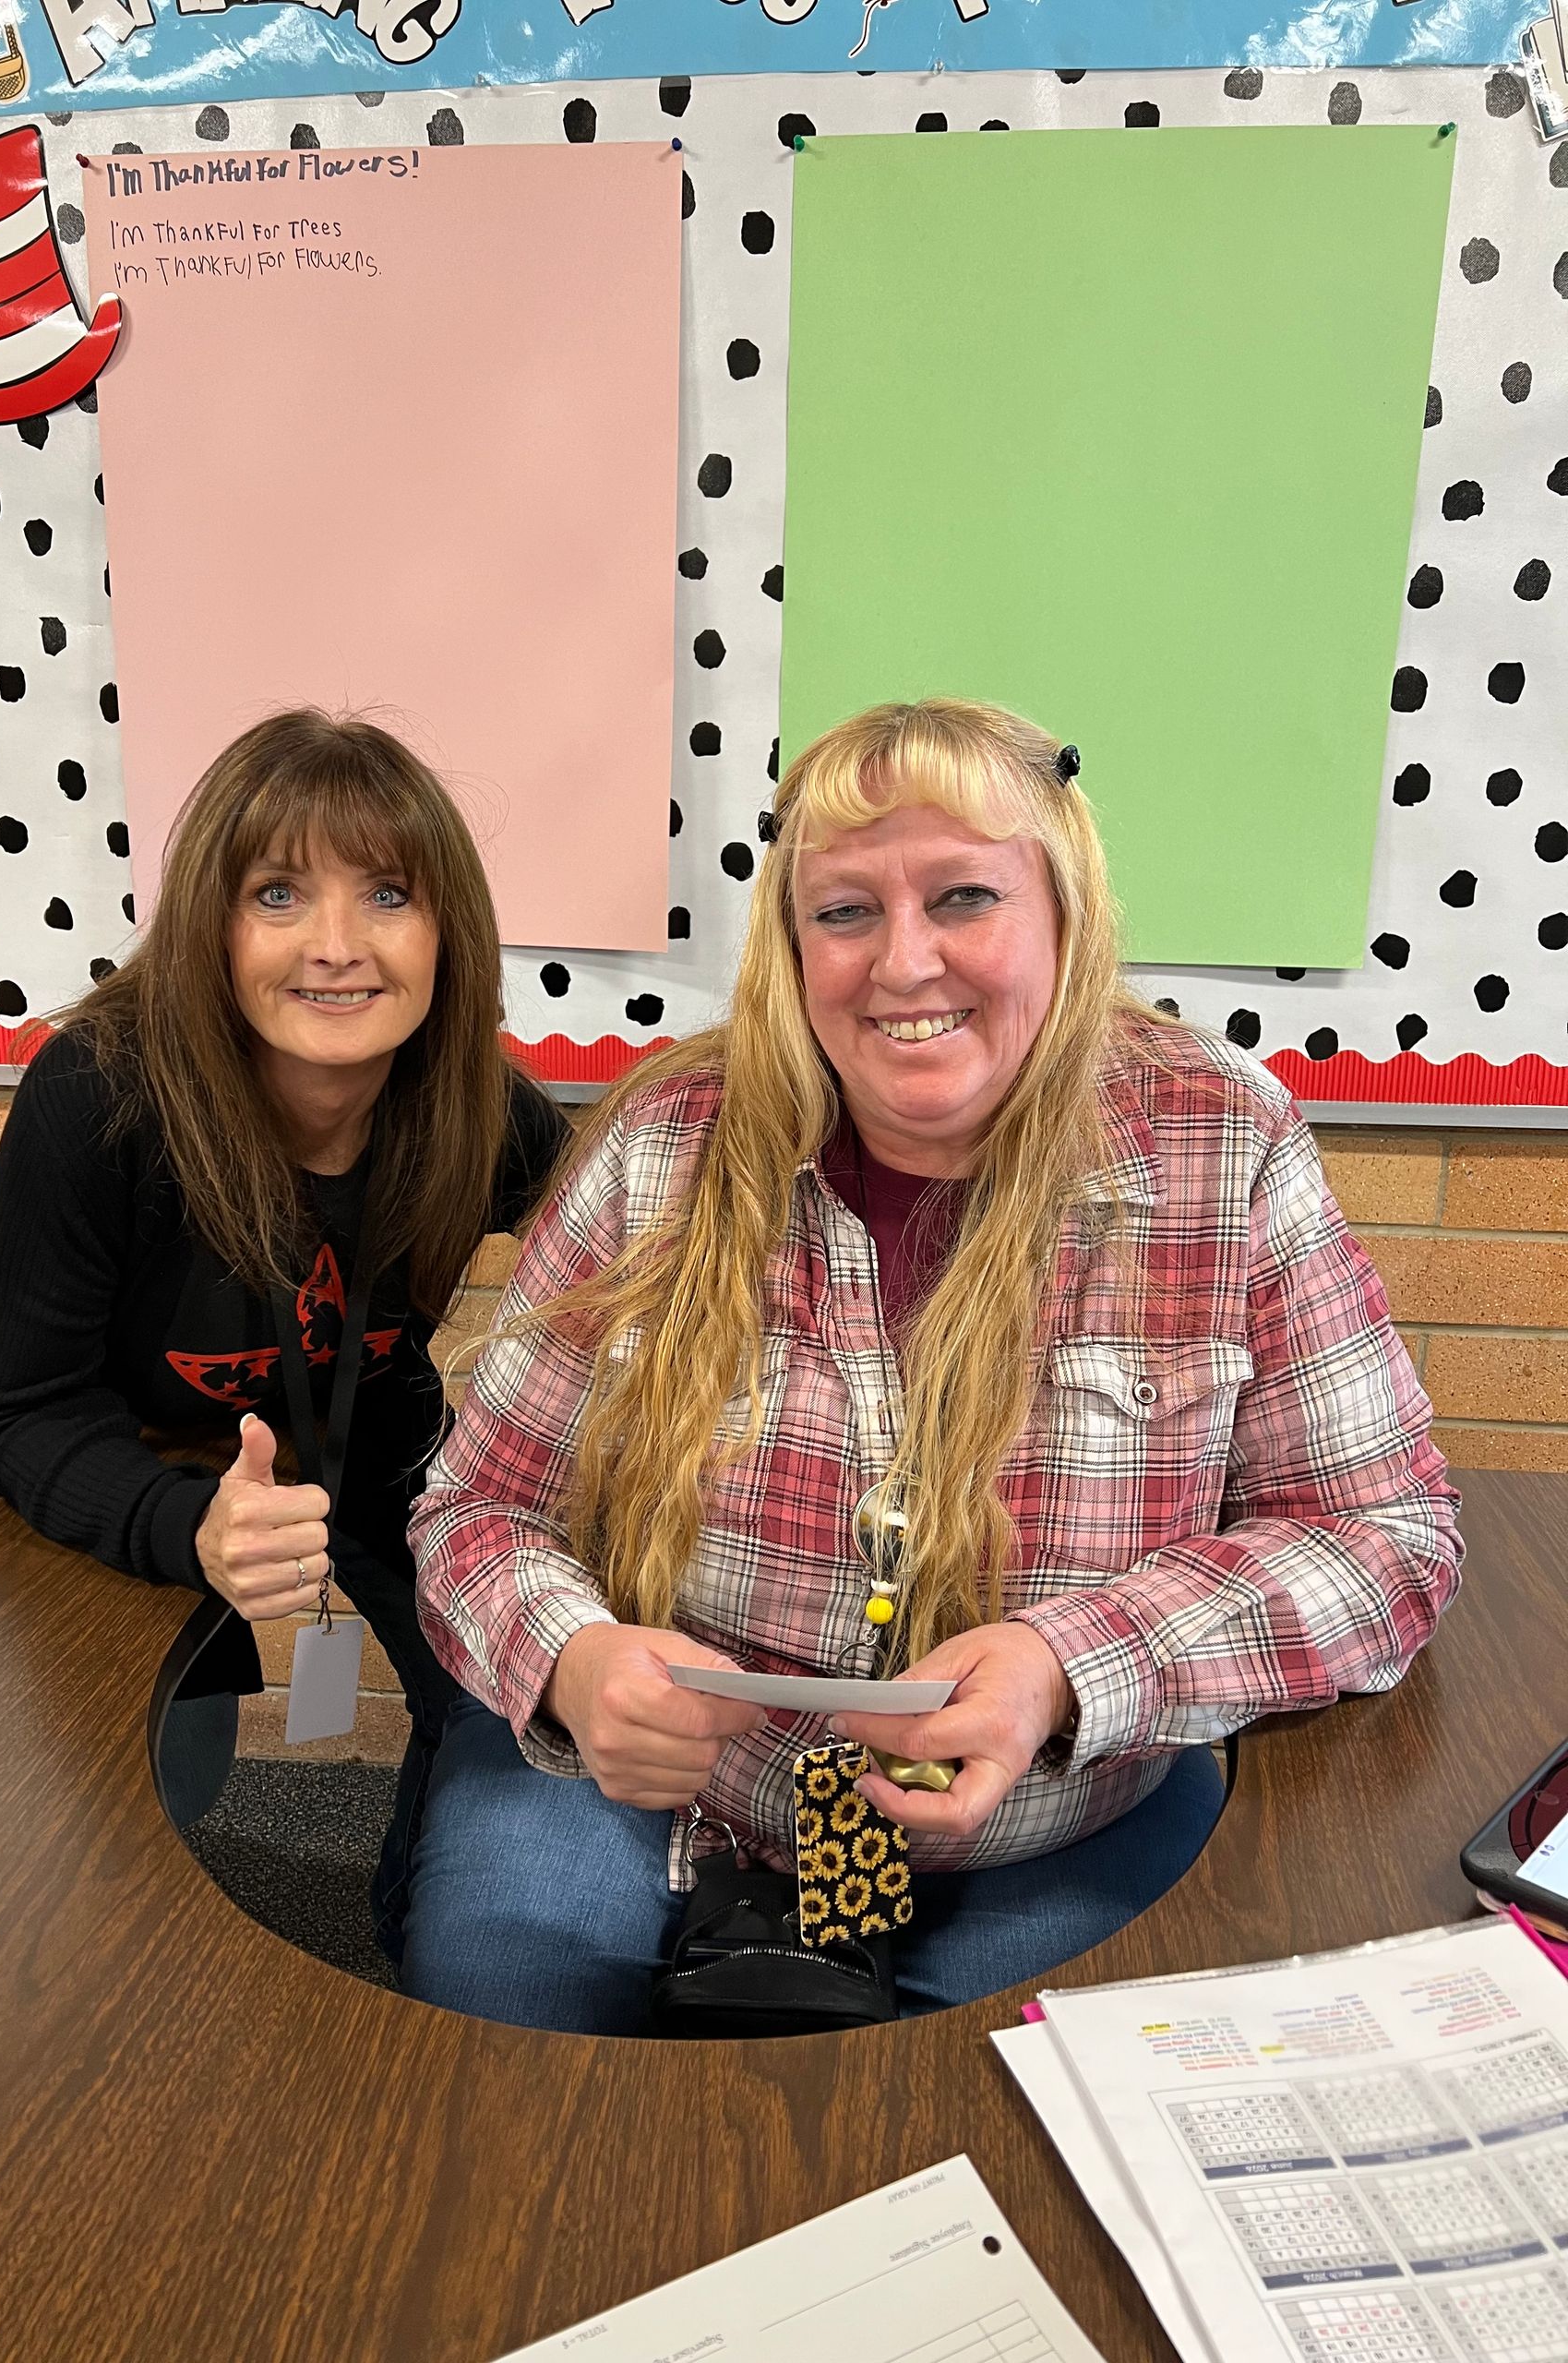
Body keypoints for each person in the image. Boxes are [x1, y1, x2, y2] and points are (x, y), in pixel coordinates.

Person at [403, 697, 1463, 2032]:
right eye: (845, 913)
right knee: (503, 2014)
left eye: (963, 896)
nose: (903, 965)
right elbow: (475, 1511)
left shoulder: (1220, 1141)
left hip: (1048, 1816)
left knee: (992, 2105)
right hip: (667, 1797)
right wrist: (573, 1660)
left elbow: (1383, 1536)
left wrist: (1072, 1665)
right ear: (791, 947)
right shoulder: (664, 1142)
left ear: (1064, 913)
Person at [0, 710, 568, 1947]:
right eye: (278, 893)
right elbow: (20, 1415)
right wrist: (188, 1526)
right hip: (164, 1469)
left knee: (496, 1729)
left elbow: (635, 1258)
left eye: (388, 894)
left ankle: (404, 1932)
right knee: (131, 1849)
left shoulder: (473, 1102)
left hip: (373, 1447)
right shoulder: (97, 1100)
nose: (337, 947)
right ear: (210, 929)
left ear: (447, 930)